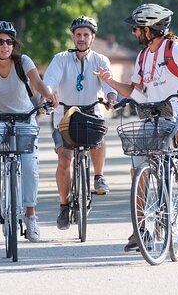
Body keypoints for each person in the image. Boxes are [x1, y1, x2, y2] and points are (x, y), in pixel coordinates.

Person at [94, 3, 178, 251]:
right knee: (137, 167)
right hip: (154, 113)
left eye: (137, 28)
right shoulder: (143, 56)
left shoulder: (173, 49)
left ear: (150, 29)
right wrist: (109, 81)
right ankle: (141, 228)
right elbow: (135, 90)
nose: (134, 32)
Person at [0, 21, 57, 242]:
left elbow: (38, 82)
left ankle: (31, 216)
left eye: (9, 41)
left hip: (25, 117)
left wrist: (49, 95)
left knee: (29, 165)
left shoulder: (23, 61)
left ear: (14, 44)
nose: (5, 45)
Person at [42, 16, 117, 230]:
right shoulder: (61, 59)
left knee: (99, 135)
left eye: (86, 35)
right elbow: (49, 82)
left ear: (93, 37)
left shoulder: (100, 60)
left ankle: (99, 177)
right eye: (78, 35)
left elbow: (109, 82)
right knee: (64, 158)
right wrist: (47, 96)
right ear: (73, 37)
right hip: (64, 117)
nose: (82, 39)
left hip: (92, 114)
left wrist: (111, 98)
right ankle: (64, 206)